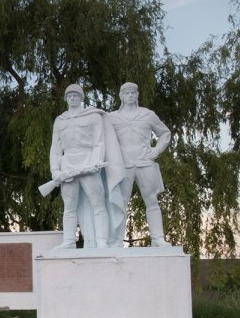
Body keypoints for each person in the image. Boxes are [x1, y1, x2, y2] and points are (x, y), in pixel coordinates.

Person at [106, 82, 171, 246]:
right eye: (126, 93)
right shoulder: (111, 117)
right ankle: (115, 241)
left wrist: (156, 150)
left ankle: (158, 238)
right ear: (121, 96)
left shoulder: (148, 115)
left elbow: (165, 133)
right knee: (120, 203)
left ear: (137, 95)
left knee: (151, 200)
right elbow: (101, 139)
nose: (130, 95)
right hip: (123, 165)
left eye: (133, 92)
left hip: (145, 162)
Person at [49, 84, 110, 248]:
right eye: (69, 96)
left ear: (81, 97)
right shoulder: (60, 121)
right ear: (66, 99)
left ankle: (102, 241)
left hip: (89, 162)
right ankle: (69, 241)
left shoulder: (93, 116)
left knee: (98, 204)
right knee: (69, 206)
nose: (72, 98)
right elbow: (55, 148)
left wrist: (96, 162)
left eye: (76, 95)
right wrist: (55, 170)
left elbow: (99, 142)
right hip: (68, 165)